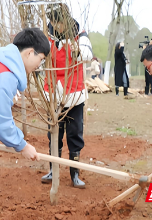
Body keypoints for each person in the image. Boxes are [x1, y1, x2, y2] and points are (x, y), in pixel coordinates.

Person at [0, 28, 50, 220]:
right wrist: (22, 145)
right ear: (30, 52)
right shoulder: (5, 74)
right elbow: (1, 122)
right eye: (42, 59)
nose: (40, 65)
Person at [41, 3, 93, 188]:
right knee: (54, 133)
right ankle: (52, 169)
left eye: (59, 22)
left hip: (74, 92)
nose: (56, 27)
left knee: (74, 134)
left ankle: (74, 173)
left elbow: (87, 55)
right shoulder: (46, 36)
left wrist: (76, 48)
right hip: (53, 93)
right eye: (53, 23)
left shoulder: (80, 34)